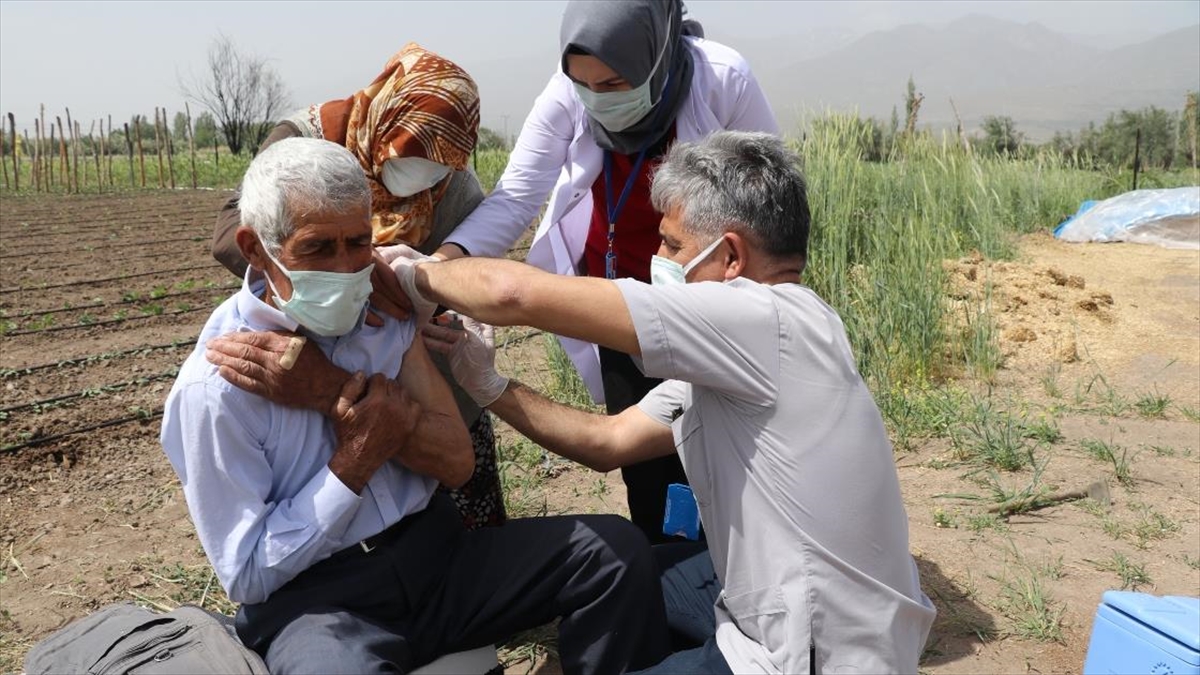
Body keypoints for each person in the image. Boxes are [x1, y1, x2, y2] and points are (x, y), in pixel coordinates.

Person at [408, 131, 936, 673]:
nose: (656, 260)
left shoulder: (763, 320)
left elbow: (512, 294)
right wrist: (489, 385)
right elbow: (608, 441)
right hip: (800, 606)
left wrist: (415, 272)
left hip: (819, 653)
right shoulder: (757, 345)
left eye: (672, 246)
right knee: (621, 568)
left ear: (731, 256)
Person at [166, 137, 669, 674]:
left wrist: (335, 391)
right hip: (317, 603)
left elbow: (457, 461)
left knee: (613, 554)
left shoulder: (380, 313)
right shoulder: (216, 387)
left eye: (359, 242)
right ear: (254, 248)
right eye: (317, 249)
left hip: (435, 558)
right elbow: (247, 572)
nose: (345, 268)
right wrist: (353, 461)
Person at [433, 0, 780, 544]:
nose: (598, 98)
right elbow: (516, 196)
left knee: (723, 435)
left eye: (615, 84)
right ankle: (667, 561)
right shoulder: (566, 95)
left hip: (708, 292)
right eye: (585, 85)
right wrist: (441, 262)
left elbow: (769, 200)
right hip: (618, 299)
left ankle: (735, 557)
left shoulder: (722, 81)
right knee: (645, 449)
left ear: (655, 56)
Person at [210, 42, 505, 530]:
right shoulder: (308, 138)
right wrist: (355, 275)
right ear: (386, 119)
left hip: (413, 355)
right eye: (410, 149)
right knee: (345, 485)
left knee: (450, 490)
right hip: (320, 341)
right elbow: (231, 234)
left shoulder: (456, 189)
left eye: (440, 161)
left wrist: (423, 285)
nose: (423, 171)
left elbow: (466, 272)